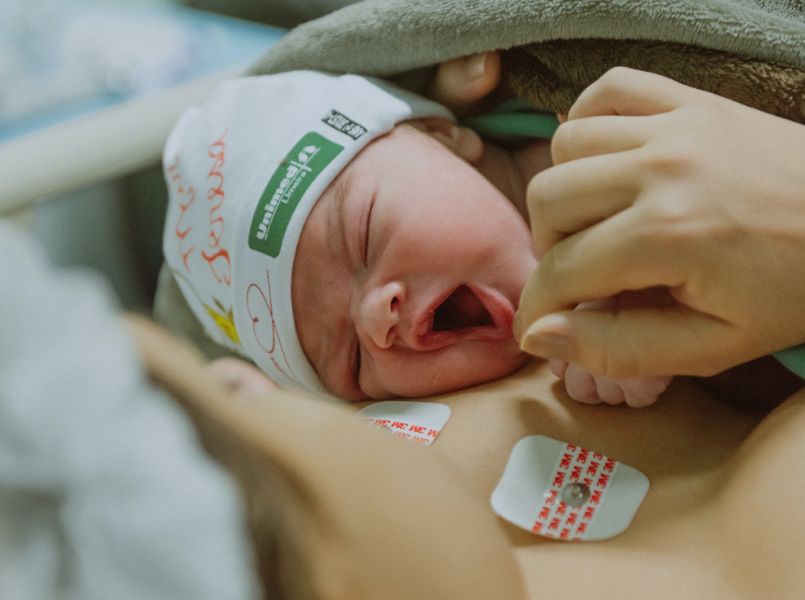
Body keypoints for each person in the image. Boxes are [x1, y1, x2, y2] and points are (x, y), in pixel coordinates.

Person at [163, 69, 675, 408]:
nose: (374, 319)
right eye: (353, 362)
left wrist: (657, 271)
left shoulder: (598, 131)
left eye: (365, 236)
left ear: (442, 136)